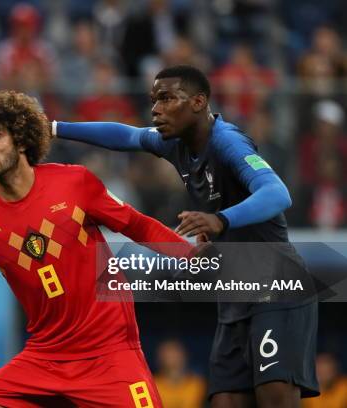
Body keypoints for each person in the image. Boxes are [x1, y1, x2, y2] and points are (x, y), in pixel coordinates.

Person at [54, 65, 319, 407]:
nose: (155, 109)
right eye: (153, 100)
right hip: (236, 291)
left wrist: (221, 220)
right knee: (225, 401)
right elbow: (126, 136)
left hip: (276, 283)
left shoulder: (227, 141)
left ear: (197, 102)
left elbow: (278, 193)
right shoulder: (174, 143)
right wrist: (54, 128)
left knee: (275, 398)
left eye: (166, 98)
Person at [0, 90, 195, 407]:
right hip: (43, 357)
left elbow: (137, 225)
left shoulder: (74, 183)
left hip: (110, 353)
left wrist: (193, 257)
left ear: (22, 140)